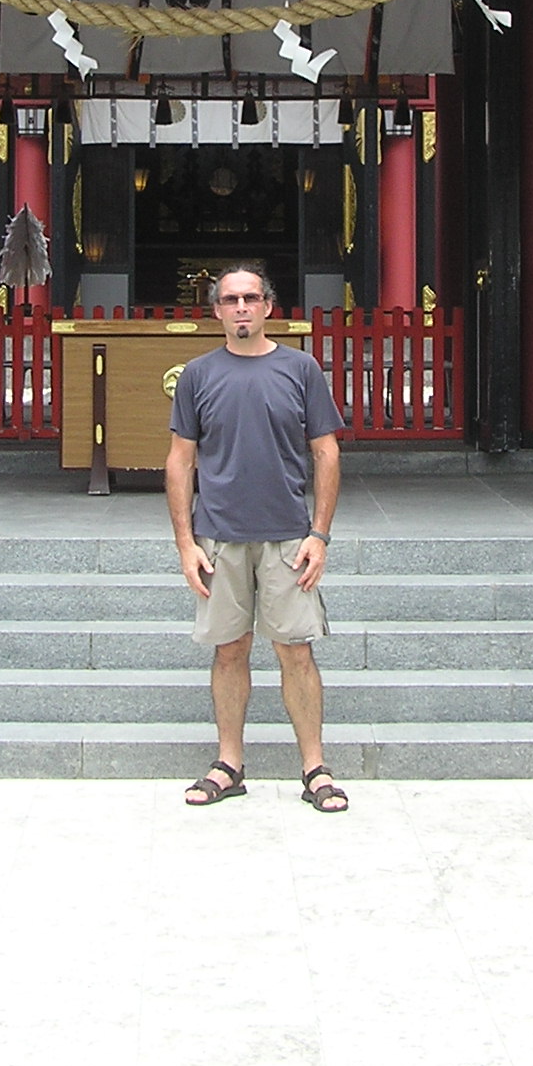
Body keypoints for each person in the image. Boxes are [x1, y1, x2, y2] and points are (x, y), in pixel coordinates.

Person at [165, 265, 349, 813]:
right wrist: (185, 543)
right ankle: (229, 762)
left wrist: (320, 533)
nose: (241, 307)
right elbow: (180, 461)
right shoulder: (197, 375)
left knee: (296, 650)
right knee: (229, 650)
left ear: (269, 305)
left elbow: (327, 452)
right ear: (216, 310)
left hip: (288, 537)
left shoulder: (300, 369)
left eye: (250, 297)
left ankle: (314, 767)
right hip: (220, 536)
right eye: (230, 299)